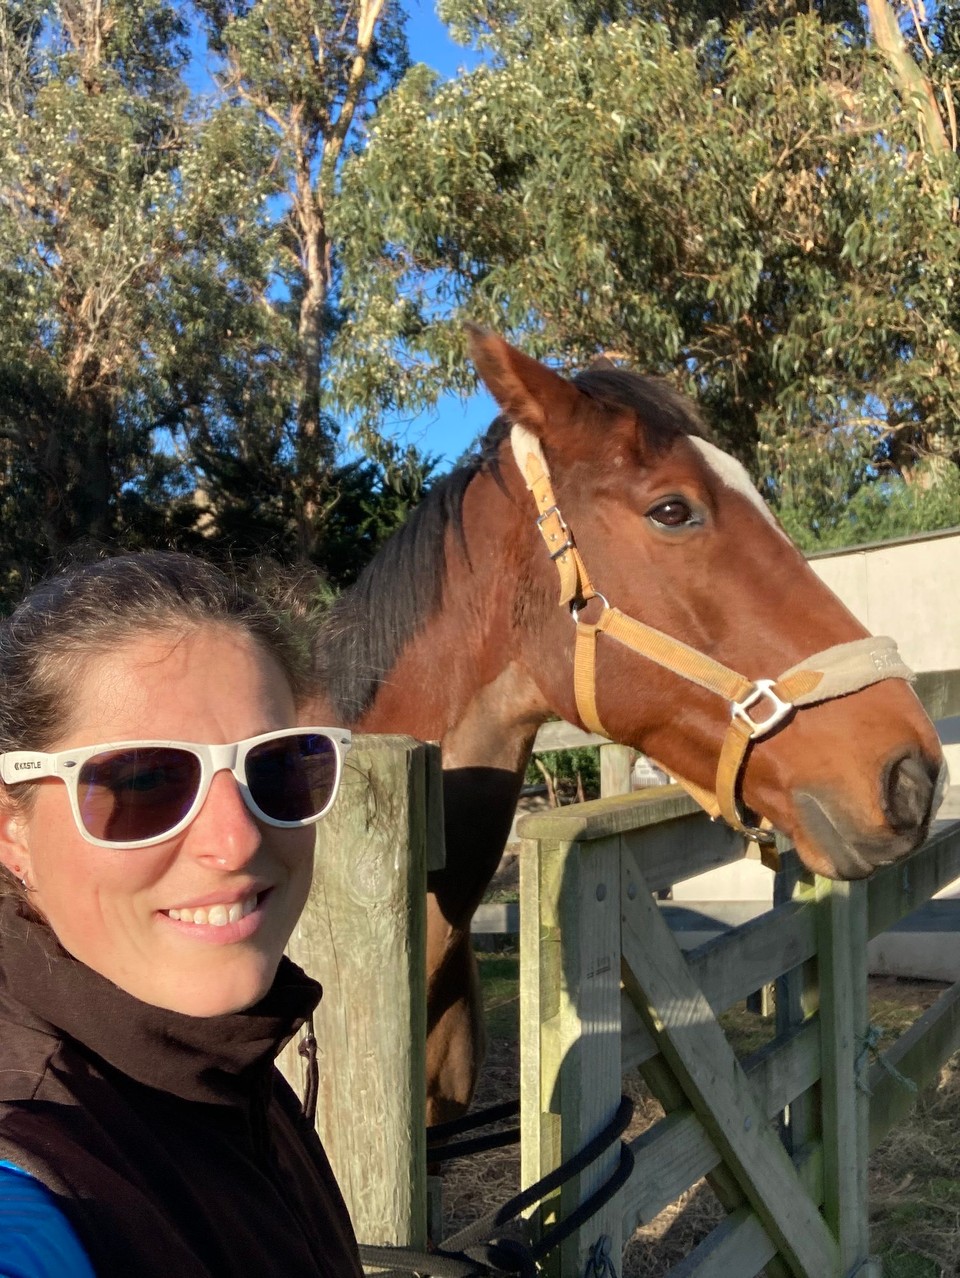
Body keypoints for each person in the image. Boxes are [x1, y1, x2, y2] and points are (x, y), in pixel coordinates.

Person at [0, 551, 362, 1278]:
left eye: (278, 767)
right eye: (144, 783)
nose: (237, 841)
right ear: (13, 831)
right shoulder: (35, 1178)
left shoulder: (209, 1057)